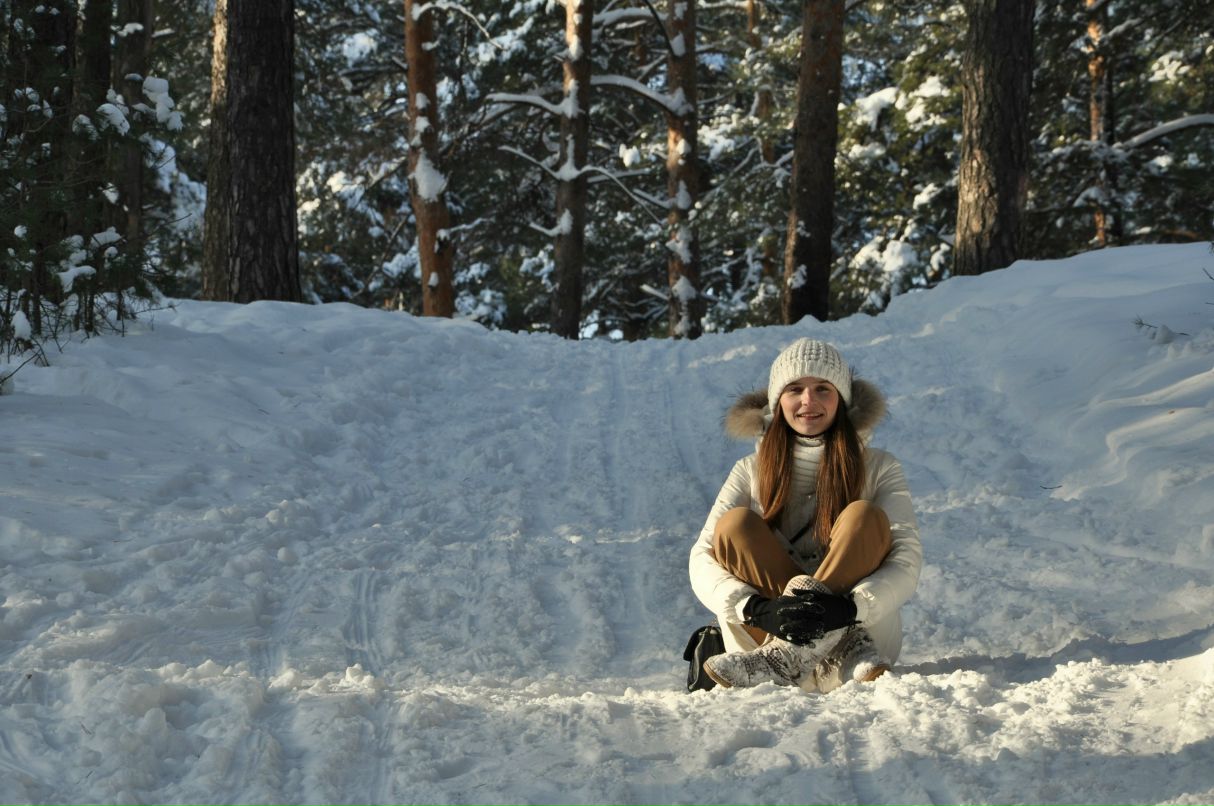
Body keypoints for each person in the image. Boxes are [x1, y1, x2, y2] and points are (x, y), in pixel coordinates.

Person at [688, 338, 922, 691]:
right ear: (777, 401)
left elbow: (907, 557)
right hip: (763, 641)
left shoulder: (879, 467)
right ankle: (810, 648)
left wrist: (851, 609)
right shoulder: (748, 471)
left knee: (864, 517)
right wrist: (755, 608)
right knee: (735, 525)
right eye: (794, 389)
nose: (808, 401)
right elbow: (701, 559)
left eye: (822, 389)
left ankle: (794, 656)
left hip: (859, 654)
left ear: (841, 401)